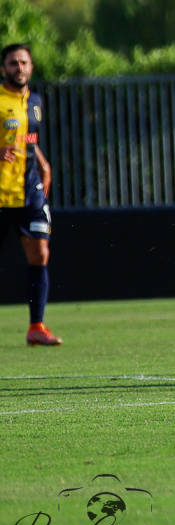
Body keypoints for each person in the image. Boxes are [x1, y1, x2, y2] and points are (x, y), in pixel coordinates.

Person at [0, 43, 62, 346]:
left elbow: (29, 140)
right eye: (13, 63)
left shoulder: (35, 101)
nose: (19, 68)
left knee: (41, 253)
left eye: (24, 62)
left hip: (29, 192)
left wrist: (43, 163)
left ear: (31, 67)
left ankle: (36, 325)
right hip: (1, 194)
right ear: (3, 69)